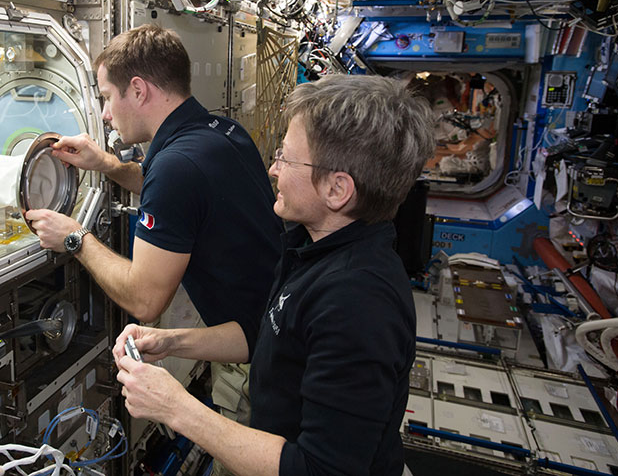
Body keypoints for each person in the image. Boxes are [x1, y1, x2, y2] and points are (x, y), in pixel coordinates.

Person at [113, 74, 436, 476]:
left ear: (338, 190)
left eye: (287, 158)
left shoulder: (357, 302)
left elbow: (319, 469)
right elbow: (270, 337)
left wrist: (175, 407)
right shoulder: (312, 246)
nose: (272, 169)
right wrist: (171, 341)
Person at [24, 24, 282, 442]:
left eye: (108, 97)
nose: (106, 114)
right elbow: (173, 190)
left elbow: (144, 300)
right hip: (265, 329)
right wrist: (105, 164)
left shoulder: (178, 166)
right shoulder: (220, 132)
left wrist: (75, 238)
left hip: (256, 366)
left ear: (139, 90)